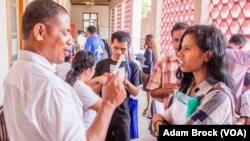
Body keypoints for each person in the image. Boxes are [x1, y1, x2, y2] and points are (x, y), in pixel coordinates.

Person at [3, 0, 126, 141]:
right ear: (40, 32)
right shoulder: (50, 87)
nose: (70, 40)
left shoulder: (14, 73)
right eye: (65, 32)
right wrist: (108, 104)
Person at [152, 25, 236, 131]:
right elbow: (165, 117)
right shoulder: (189, 86)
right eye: (181, 48)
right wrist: (158, 121)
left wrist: (158, 122)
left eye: (187, 48)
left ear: (207, 55)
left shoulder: (218, 96)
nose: (179, 53)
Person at [93, 31, 141, 141]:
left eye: (123, 49)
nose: (119, 52)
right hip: (103, 114)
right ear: (110, 44)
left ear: (128, 47)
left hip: (123, 115)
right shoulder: (101, 64)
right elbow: (93, 90)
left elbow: (136, 92)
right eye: (116, 48)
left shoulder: (133, 66)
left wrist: (126, 82)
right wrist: (103, 83)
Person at [146, 22, 189, 114]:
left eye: (183, 40)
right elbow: (152, 92)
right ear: (172, 42)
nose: (179, 44)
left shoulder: (194, 65)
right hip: (164, 116)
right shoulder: (163, 63)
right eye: (176, 40)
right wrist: (166, 90)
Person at [65, 50, 108, 129]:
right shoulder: (80, 87)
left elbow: (89, 94)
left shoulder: (73, 81)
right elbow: (103, 106)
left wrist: (100, 82)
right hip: (85, 131)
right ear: (88, 71)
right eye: (94, 68)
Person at [226, 34, 250, 116]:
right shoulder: (240, 56)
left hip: (210, 92)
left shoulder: (216, 51)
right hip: (231, 98)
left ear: (229, 41)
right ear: (240, 47)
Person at [141, 34, 159, 116]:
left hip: (148, 73)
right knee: (150, 91)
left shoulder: (148, 50)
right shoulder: (155, 49)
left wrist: (141, 59)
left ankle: (148, 107)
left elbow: (147, 62)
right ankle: (149, 107)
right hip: (152, 73)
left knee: (148, 91)